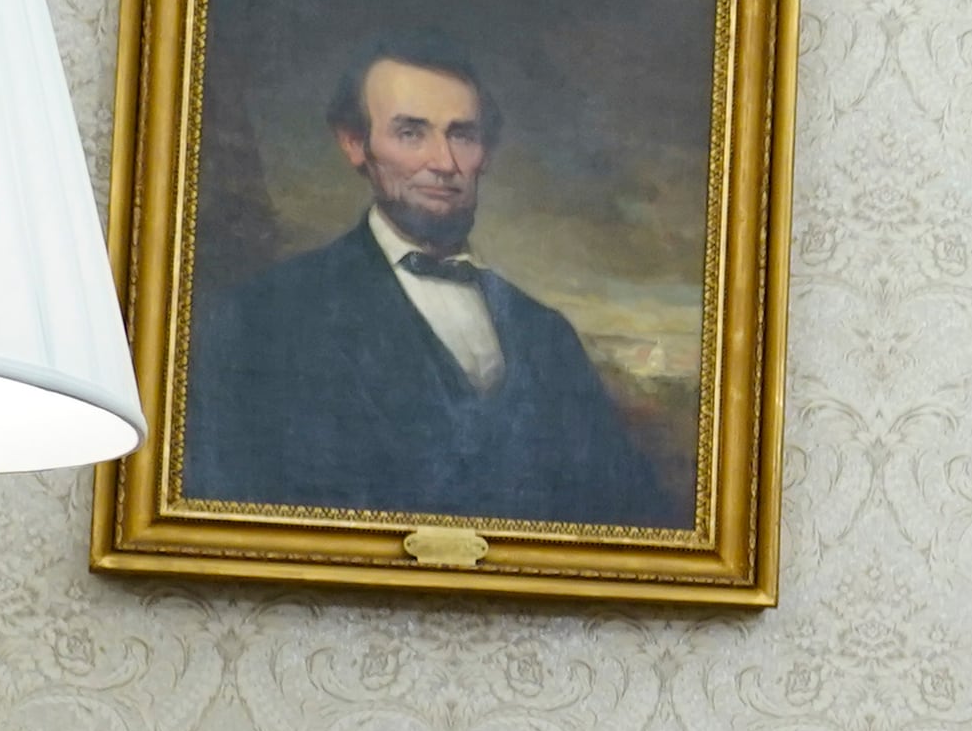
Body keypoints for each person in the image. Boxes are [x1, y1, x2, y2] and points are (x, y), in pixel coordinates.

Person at [183, 47, 688, 528]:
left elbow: (631, 515)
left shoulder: (547, 334)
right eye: (411, 133)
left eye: (462, 135)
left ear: (485, 152)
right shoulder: (264, 317)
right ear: (354, 144)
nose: (443, 162)